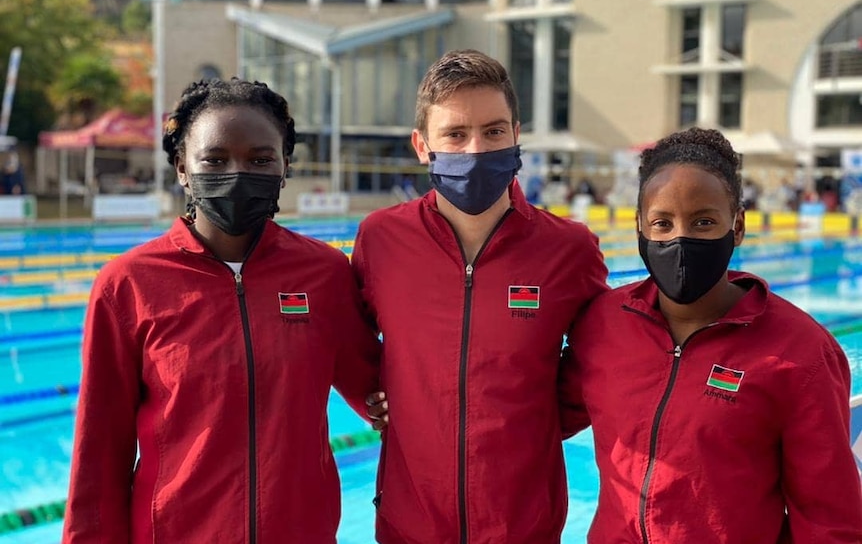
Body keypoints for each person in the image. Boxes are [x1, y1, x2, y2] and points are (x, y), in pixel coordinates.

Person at [62, 78, 380, 543]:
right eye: (214, 159)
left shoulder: (325, 273)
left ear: (284, 166)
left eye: (260, 159)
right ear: (182, 169)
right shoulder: (128, 284)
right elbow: (98, 453)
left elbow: (380, 391)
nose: (238, 173)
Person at [559, 127, 862, 543]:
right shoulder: (604, 323)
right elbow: (541, 417)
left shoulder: (800, 352)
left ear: (736, 226)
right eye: (662, 223)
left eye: (703, 222)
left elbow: (830, 519)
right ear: (640, 230)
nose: (680, 239)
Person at [354, 49, 608, 543]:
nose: (475, 150)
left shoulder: (568, 249)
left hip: (523, 524)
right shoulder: (381, 239)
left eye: (493, 131)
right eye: (455, 134)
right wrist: (379, 400)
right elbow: (350, 339)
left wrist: (535, 423)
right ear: (422, 145)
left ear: (516, 136)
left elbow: (600, 357)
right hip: (411, 521)